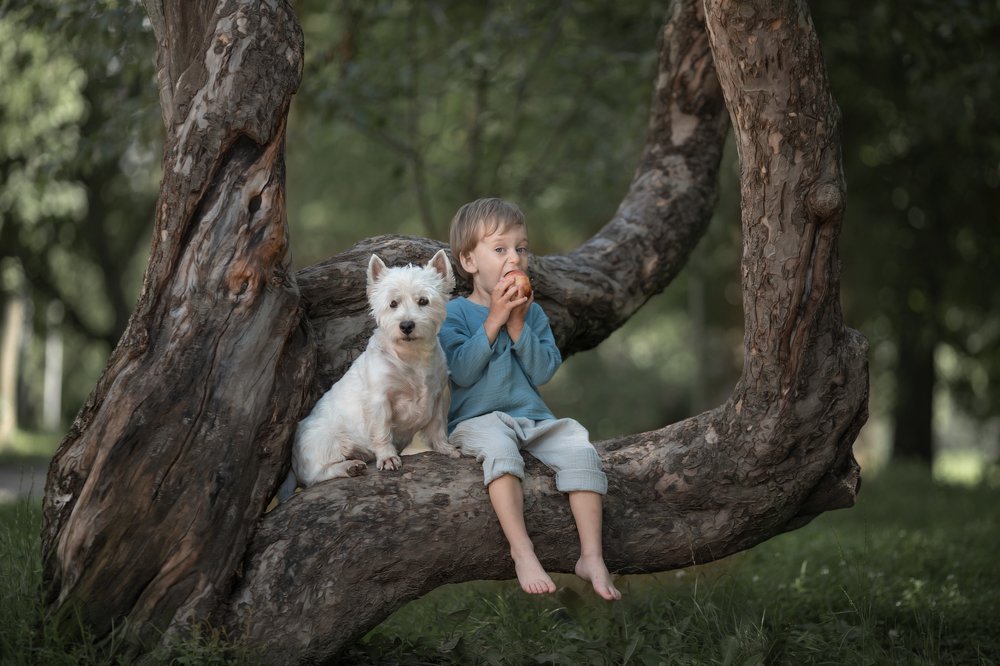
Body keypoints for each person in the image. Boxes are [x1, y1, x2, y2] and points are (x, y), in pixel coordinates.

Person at [439, 197, 621, 601]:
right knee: (502, 453)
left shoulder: (533, 314)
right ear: (469, 261)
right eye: (500, 249)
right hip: (478, 419)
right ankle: (522, 552)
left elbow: (543, 372)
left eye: (521, 248)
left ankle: (591, 556)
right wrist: (494, 321)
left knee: (580, 448)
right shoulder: (454, 314)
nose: (514, 258)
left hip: (532, 418)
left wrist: (519, 324)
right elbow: (462, 373)